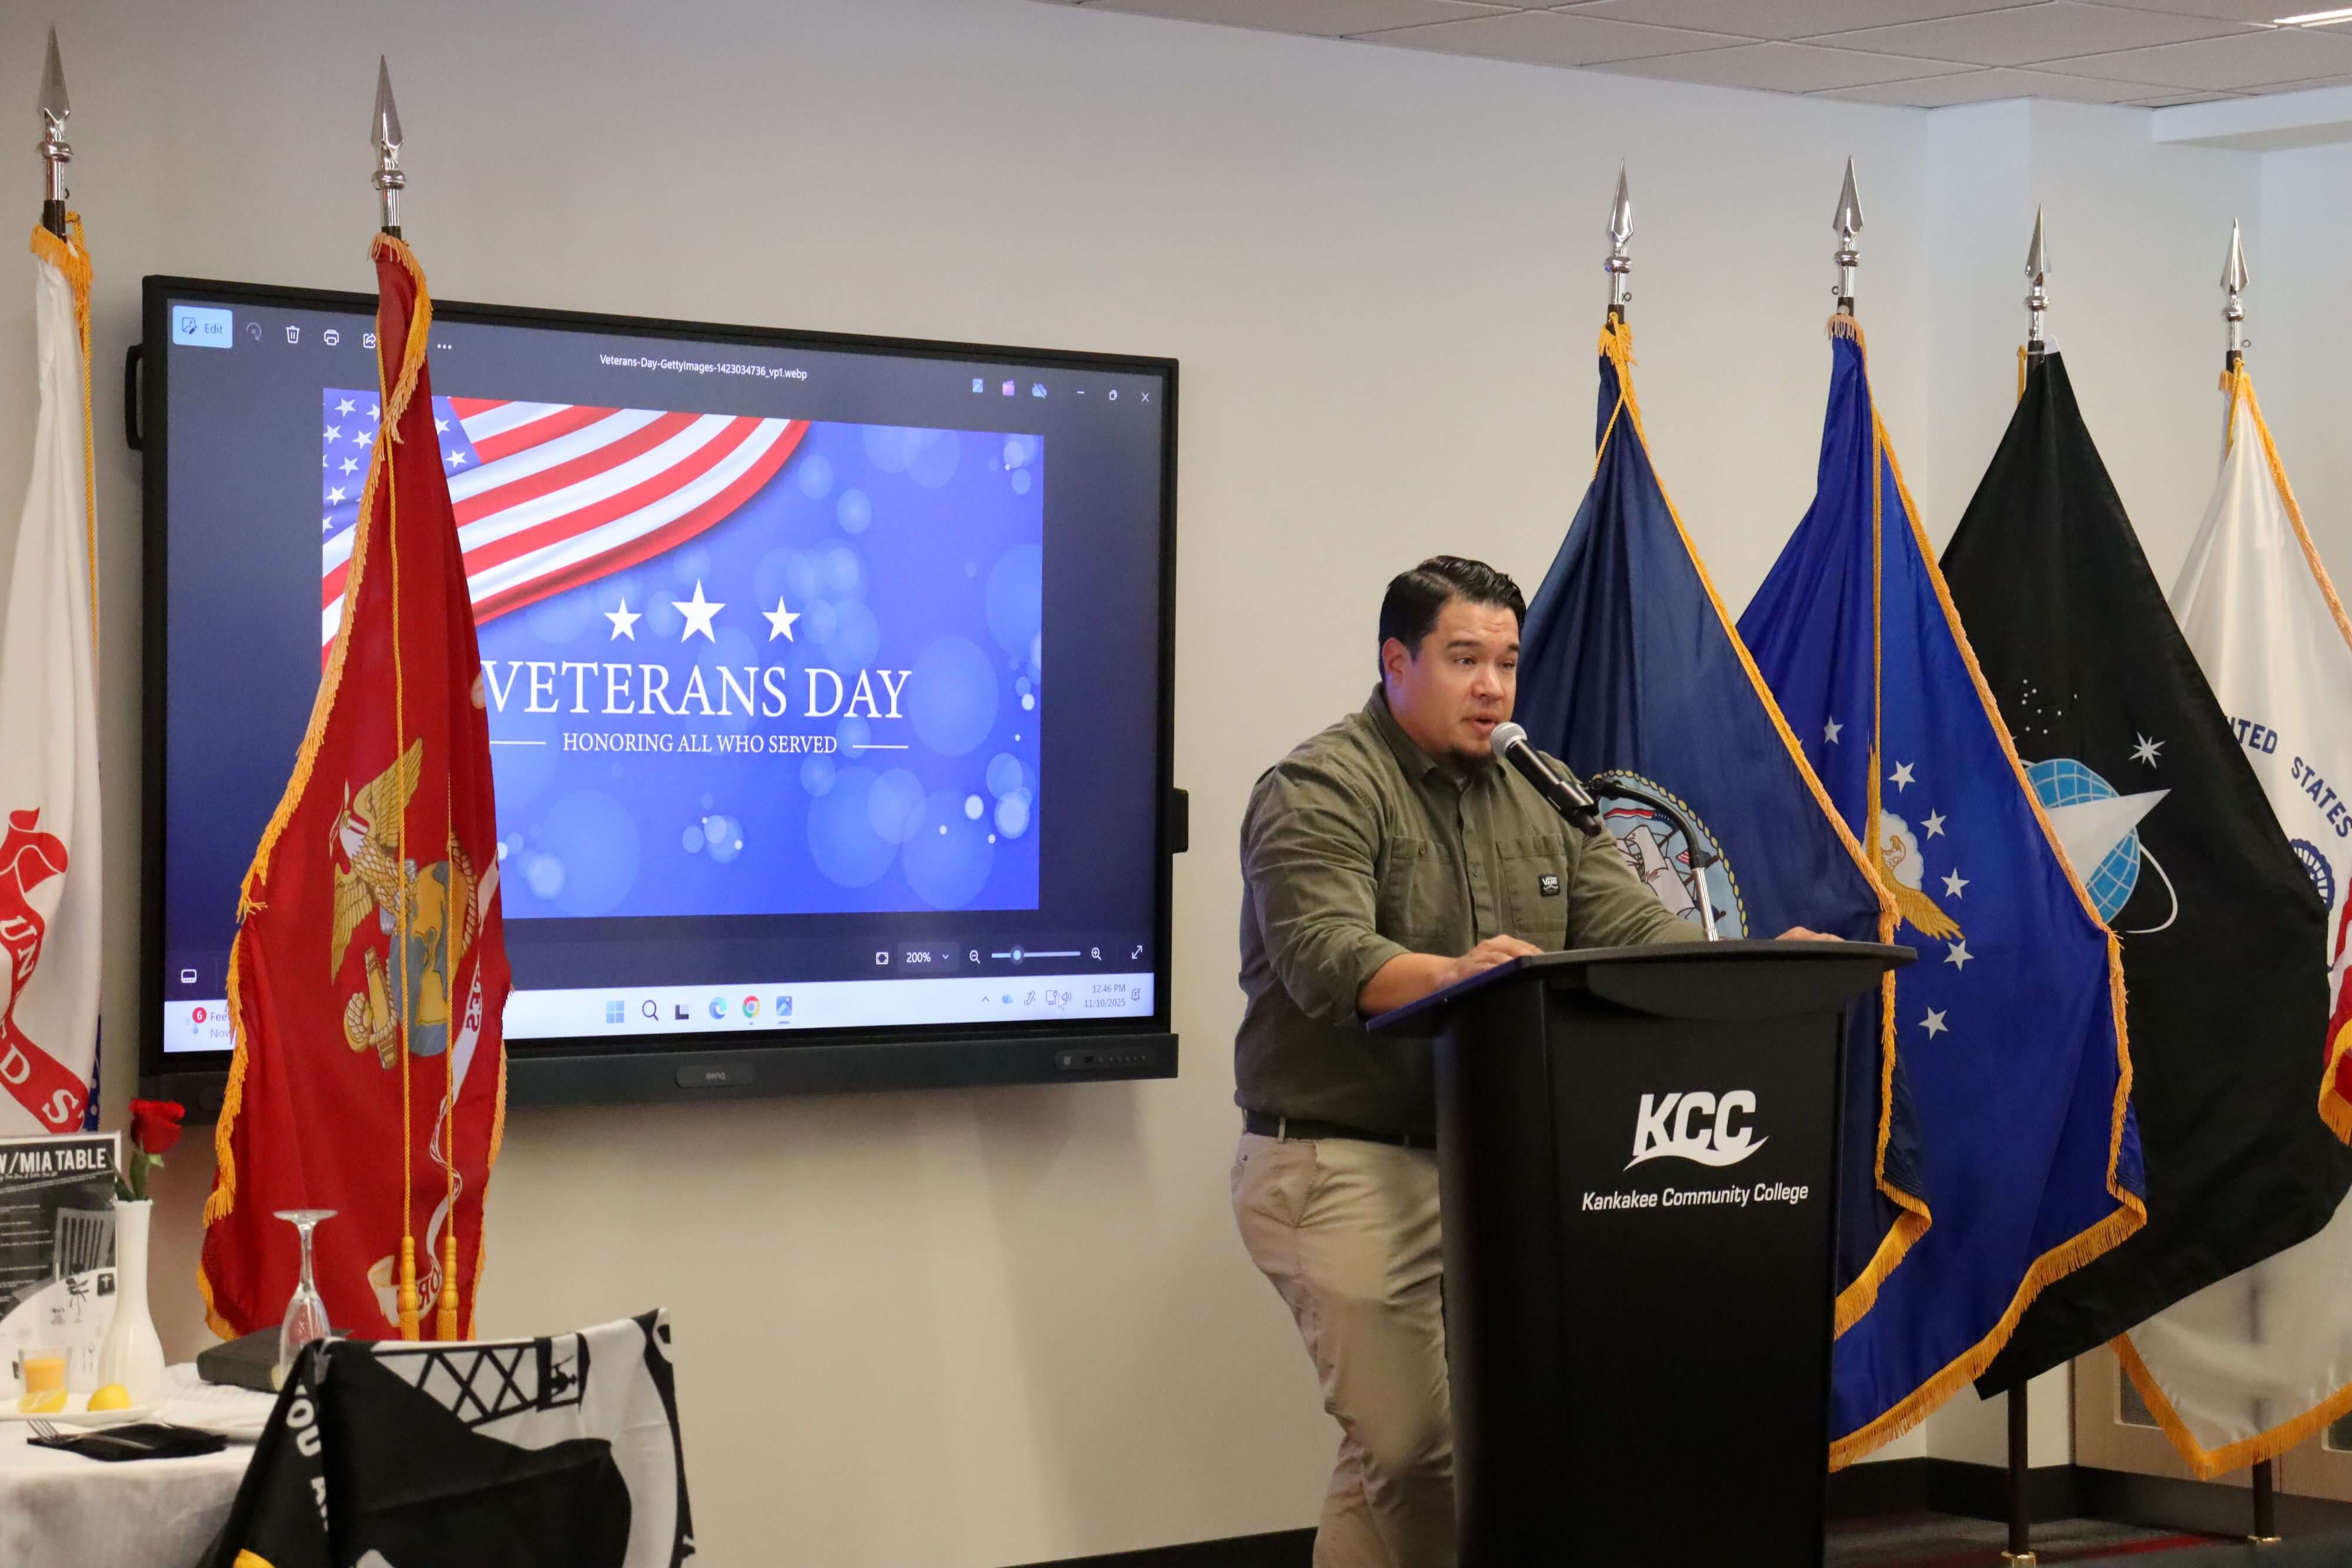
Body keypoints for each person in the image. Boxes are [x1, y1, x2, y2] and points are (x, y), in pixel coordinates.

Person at [1230, 556, 1827, 1567]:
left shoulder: (1533, 791)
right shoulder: (1319, 786)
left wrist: (1760, 969)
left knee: (1405, 1455)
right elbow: (1328, 956)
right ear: (1395, 662)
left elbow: (1631, 927)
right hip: (1339, 1160)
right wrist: (1456, 974)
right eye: (1465, 659)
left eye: (1507, 662)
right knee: (1418, 1448)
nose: (1494, 688)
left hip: (1491, 1164)